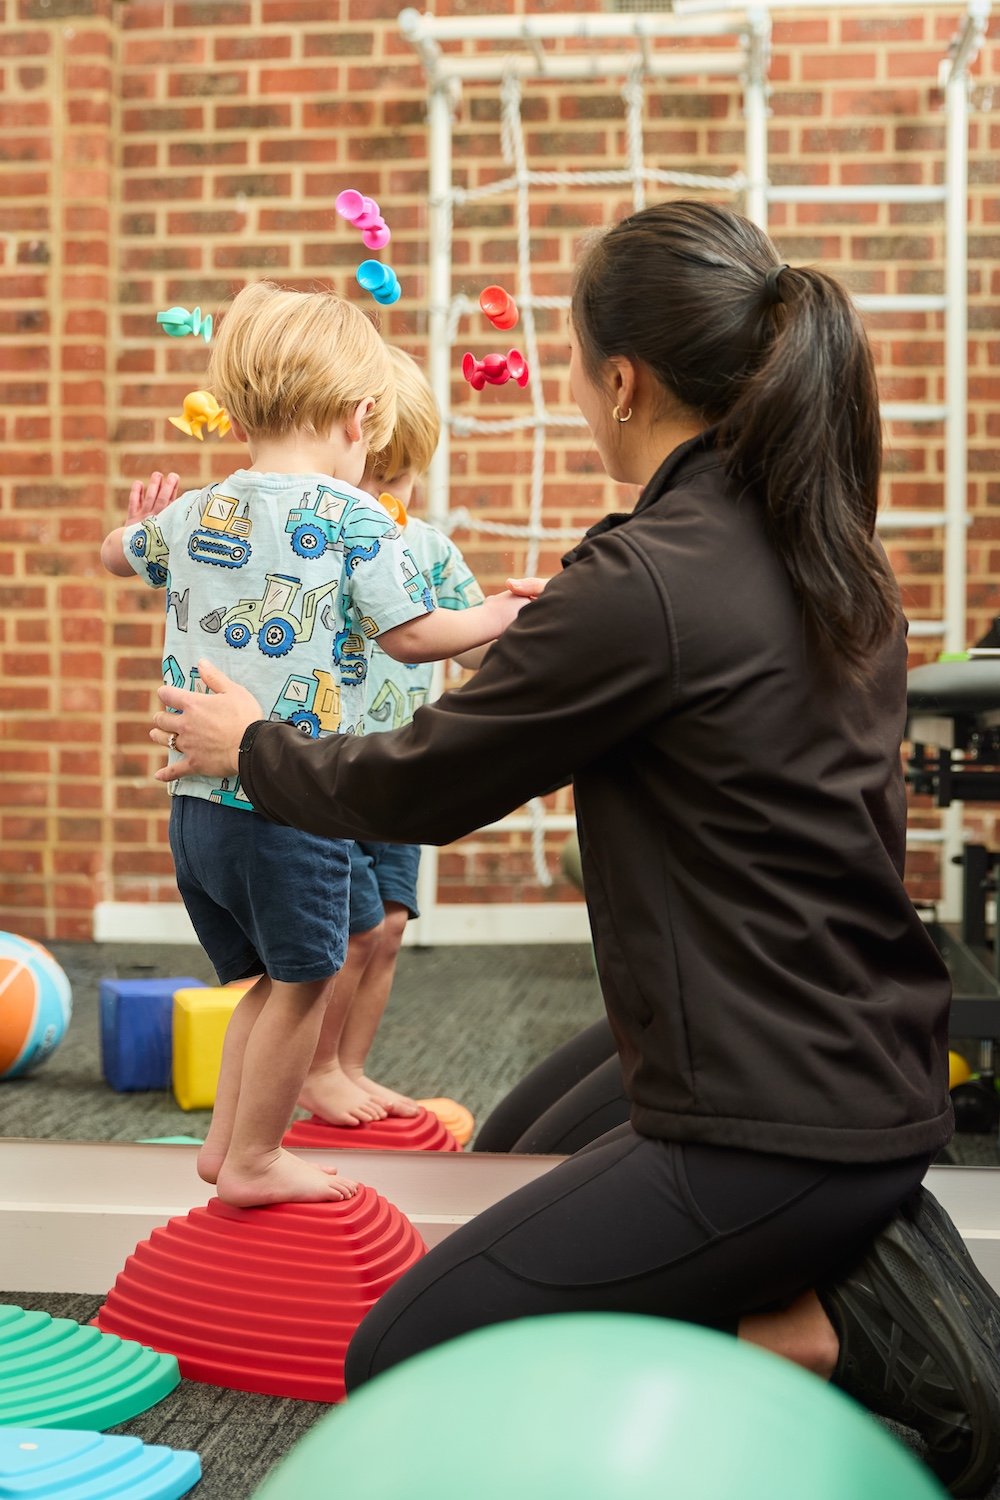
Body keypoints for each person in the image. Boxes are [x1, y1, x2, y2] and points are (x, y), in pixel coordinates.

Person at [148, 203, 1000, 1494]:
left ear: (623, 378)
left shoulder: (650, 573)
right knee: (525, 1138)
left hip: (787, 1112)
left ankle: (810, 1318)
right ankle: (803, 1281)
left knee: (412, 1359)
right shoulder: (812, 542)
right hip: (843, 1048)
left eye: (570, 363)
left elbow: (426, 784)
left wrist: (249, 745)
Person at [101, 280, 527, 1208]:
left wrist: (142, 519)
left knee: (262, 980)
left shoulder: (202, 509)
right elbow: (412, 635)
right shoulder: (355, 515)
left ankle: (224, 1148)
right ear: (359, 415)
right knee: (306, 978)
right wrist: (497, 611)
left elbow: (113, 553)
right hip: (284, 803)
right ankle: (257, 1159)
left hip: (193, 813)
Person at [298, 346, 487, 1127]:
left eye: (401, 481)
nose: (385, 499)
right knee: (349, 931)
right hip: (333, 773)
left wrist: (541, 628)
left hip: (398, 771)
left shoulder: (430, 551)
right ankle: (311, 1071)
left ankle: (348, 1065)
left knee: (389, 928)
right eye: (371, 479)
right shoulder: (314, 541)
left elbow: (475, 642)